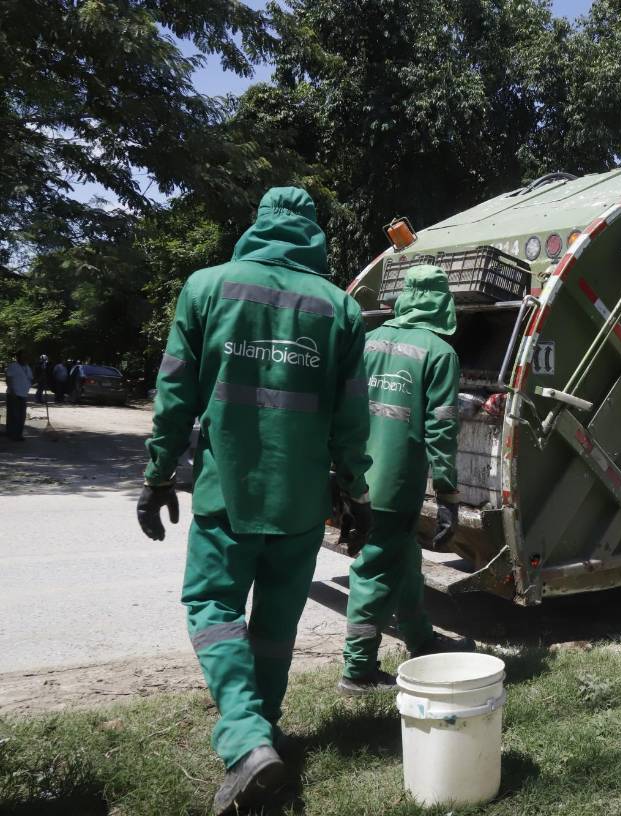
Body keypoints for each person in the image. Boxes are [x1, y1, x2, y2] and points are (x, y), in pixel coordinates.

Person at [137, 187, 373, 814]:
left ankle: (246, 743)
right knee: (274, 628)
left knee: (212, 606)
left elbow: (174, 390)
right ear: (313, 233)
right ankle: (260, 742)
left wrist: (159, 473)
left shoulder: (207, 287)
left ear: (259, 225)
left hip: (227, 496)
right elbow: (354, 418)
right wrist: (356, 491)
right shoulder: (341, 309)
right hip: (299, 504)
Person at [337, 264, 474, 696]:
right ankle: (357, 669)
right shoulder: (438, 353)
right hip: (395, 484)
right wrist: (449, 493)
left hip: (358, 475)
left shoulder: (368, 340)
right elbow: (441, 429)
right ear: (441, 302)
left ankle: (422, 641)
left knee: (403, 559)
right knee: (376, 567)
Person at [5, 350, 33, 441]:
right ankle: (12, 434)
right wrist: (11, 391)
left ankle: (18, 434)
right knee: (14, 415)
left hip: (24, 394)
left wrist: (41, 380)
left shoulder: (28, 367)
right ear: (18, 357)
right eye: (23, 356)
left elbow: (30, 379)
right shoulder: (13, 366)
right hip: (14, 394)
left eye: (26, 356)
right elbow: (8, 378)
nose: (25, 358)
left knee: (22, 416)